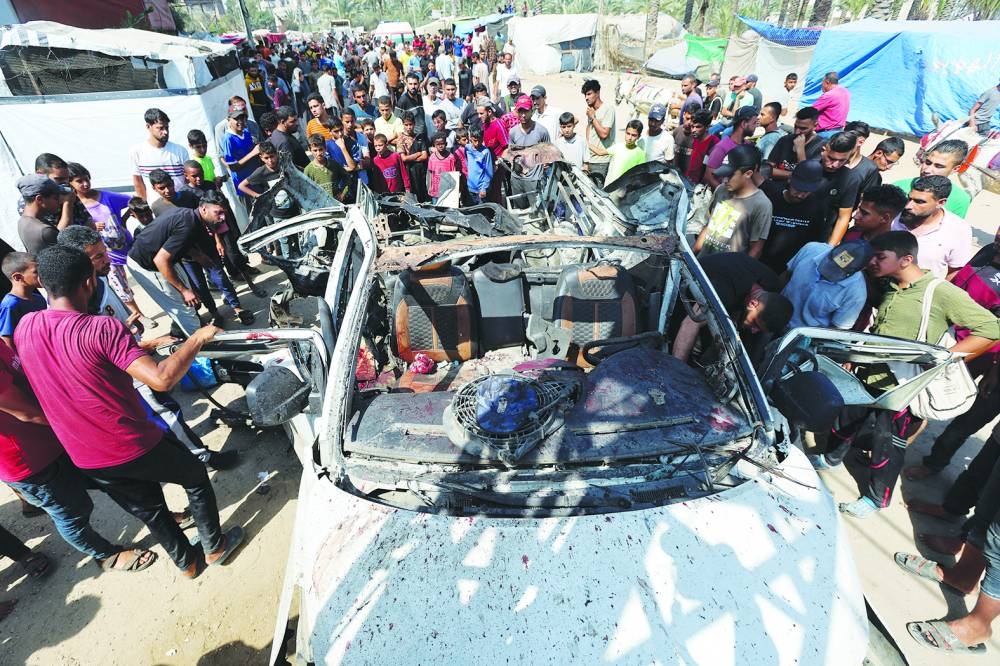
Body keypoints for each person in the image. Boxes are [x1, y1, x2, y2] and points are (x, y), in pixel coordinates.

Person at [16, 245, 244, 579]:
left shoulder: (25, 327)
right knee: (194, 476)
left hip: (84, 454)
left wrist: (143, 348)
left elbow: (77, 359)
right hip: (129, 442)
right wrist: (195, 339)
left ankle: (187, 564)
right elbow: (162, 379)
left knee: (149, 509)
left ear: (44, 285)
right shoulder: (102, 328)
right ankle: (214, 547)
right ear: (89, 283)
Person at [810, 231, 1000, 517]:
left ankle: (876, 498)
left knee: (887, 441)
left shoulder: (939, 291)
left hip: (905, 383)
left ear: (906, 260)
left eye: (880, 257)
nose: (872, 262)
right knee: (848, 415)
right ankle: (831, 457)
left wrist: (947, 358)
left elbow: (991, 329)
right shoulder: (887, 283)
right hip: (871, 369)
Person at [903, 223, 1000, 486]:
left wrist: (992, 371)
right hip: (942, 334)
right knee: (916, 392)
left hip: (974, 353)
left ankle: (932, 463)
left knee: (945, 407)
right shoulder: (989, 250)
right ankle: (896, 441)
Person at [128, 192, 253, 335]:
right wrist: (184, 290)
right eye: (217, 213)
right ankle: (202, 346)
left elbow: (176, 240)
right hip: (148, 265)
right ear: (204, 209)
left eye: (223, 213)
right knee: (184, 306)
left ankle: (184, 329)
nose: (222, 218)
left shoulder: (191, 216)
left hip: (165, 259)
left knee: (189, 303)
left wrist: (198, 255)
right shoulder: (187, 224)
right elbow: (160, 260)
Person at [672, 251, 792, 364]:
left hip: (731, 286)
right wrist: (675, 372)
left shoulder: (772, 287)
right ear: (753, 303)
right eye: (755, 324)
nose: (754, 331)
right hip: (684, 289)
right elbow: (690, 324)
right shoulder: (725, 290)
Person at [693, 144, 772, 258]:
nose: (725, 180)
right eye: (724, 175)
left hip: (727, 271)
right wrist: (692, 253)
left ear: (748, 173)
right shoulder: (721, 190)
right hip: (703, 262)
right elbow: (709, 226)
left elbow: (756, 250)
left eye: (730, 175)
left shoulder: (762, 205)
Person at [890, 175, 973, 279]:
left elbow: (955, 272)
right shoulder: (894, 214)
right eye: (909, 198)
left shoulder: (959, 229)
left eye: (919, 202)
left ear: (941, 203)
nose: (908, 206)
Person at [781, 239, 873, 329]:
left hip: (802, 336)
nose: (831, 271)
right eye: (831, 262)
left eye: (839, 270)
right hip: (778, 316)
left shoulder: (856, 294)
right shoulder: (811, 249)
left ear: (861, 269)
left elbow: (836, 329)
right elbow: (786, 275)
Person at [758, 160, 829, 274]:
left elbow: (815, 243)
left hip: (790, 269)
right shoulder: (770, 195)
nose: (801, 195)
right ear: (790, 179)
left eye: (807, 191)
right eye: (798, 188)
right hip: (761, 262)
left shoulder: (817, 208)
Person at [893, 139, 973, 218]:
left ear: (955, 169)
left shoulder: (960, 200)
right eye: (928, 162)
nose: (927, 170)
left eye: (938, 166)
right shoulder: (898, 187)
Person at [128, 108, 189, 203]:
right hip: (155, 206)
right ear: (148, 126)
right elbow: (138, 181)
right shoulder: (137, 151)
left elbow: (187, 179)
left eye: (167, 128)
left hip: (182, 205)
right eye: (160, 128)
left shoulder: (180, 151)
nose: (165, 132)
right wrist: (144, 205)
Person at [816, 131, 863, 245]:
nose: (835, 165)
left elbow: (844, 217)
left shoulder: (851, 179)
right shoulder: (809, 167)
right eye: (831, 158)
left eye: (842, 160)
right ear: (823, 150)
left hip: (821, 237)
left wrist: (828, 248)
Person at [505, 97, 551, 199]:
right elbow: (511, 153)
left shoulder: (541, 131)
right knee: (520, 211)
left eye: (526, 111)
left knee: (536, 212)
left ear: (532, 111)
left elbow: (548, 152)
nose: (523, 115)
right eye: (520, 111)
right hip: (517, 179)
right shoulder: (513, 132)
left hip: (534, 180)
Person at [705, 106, 759, 190]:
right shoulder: (722, 148)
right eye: (754, 123)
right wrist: (725, 196)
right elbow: (709, 176)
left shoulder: (748, 146)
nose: (756, 126)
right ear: (744, 124)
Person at [765, 106, 823, 182]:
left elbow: (807, 176)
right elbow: (768, 169)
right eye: (796, 126)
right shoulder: (785, 140)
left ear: (815, 126)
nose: (797, 132)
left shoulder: (820, 146)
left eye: (803, 128)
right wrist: (794, 175)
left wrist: (800, 151)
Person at [0, 253, 45, 349]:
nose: (43, 274)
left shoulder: (39, 299)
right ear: (18, 277)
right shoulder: (10, 305)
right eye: (36, 272)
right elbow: (7, 341)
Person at [219, 104, 261, 196]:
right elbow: (233, 167)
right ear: (228, 120)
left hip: (257, 181)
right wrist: (253, 153)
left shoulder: (246, 132)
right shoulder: (228, 139)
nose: (240, 121)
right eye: (236, 119)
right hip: (246, 189)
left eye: (242, 118)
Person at [16, 175, 63, 256]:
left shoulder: (23, 221)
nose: (60, 201)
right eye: (55, 198)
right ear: (39, 199)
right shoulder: (45, 231)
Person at [581, 79, 616, 185]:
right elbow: (589, 129)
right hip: (589, 159)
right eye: (585, 95)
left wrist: (593, 117)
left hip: (601, 161)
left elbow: (604, 134)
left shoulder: (608, 109)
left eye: (589, 94)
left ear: (597, 93)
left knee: (597, 195)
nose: (586, 98)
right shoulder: (591, 110)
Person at [597, 119, 645, 184]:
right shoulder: (618, 146)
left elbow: (639, 175)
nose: (630, 137)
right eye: (628, 133)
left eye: (633, 135)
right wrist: (586, 143)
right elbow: (600, 152)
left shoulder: (640, 154)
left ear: (638, 136)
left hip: (623, 190)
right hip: (608, 186)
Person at [305, 134, 351, 201]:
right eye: (315, 150)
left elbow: (347, 177)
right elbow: (307, 190)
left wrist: (343, 193)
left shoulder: (333, 164)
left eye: (321, 149)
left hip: (337, 203)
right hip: (322, 207)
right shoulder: (308, 170)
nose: (318, 153)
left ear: (325, 148)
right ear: (310, 150)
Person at [398, 111, 429, 202]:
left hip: (421, 170)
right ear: (403, 124)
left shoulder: (419, 137)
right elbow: (404, 158)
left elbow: (425, 156)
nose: (408, 127)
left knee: (422, 192)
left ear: (414, 124)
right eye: (406, 125)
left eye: (410, 124)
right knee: (412, 193)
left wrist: (411, 158)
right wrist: (417, 154)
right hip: (409, 170)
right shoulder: (401, 138)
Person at [684, 109, 719, 185]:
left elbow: (709, 172)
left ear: (707, 127)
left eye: (698, 127)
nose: (693, 130)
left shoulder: (713, 143)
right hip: (687, 181)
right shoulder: (695, 139)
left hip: (699, 187)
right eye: (692, 127)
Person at [812, 72, 850, 139]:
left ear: (827, 82)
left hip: (825, 133)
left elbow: (811, 111)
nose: (822, 86)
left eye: (822, 83)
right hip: (839, 131)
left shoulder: (829, 95)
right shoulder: (845, 91)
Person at [426, 132, 458, 204]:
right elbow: (430, 173)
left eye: (442, 144)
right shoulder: (432, 158)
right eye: (438, 144)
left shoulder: (451, 157)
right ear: (434, 145)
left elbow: (453, 174)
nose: (440, 146)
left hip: (447, 190)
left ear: (446, 144)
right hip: (435, 190)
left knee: (447, 210)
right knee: (436, 210)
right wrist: (430, 187)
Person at [395, 74, 428, 142]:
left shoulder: (420, 97)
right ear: (406, 84)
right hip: (412, 139)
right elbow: (397, 122)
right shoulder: (402, 101)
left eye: (415, 84)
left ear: (419, 84)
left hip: (423, 136)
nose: (413, 86)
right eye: (410, 84)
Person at [466, 129, 494, 204]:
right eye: (475, 140)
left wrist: (484, 188)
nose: (477, 143)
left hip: (481, 189)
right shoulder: (467, 149)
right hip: (470, 188)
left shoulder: (485, 152)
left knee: (482, 212)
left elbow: (489, 172)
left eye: (480, 140)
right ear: (470, 138)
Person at [673, 108, 697, 175]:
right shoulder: (676, 131)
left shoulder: (697, 137)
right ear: (683, 115)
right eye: (687, 118)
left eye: (692, 120)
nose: (689, 122)